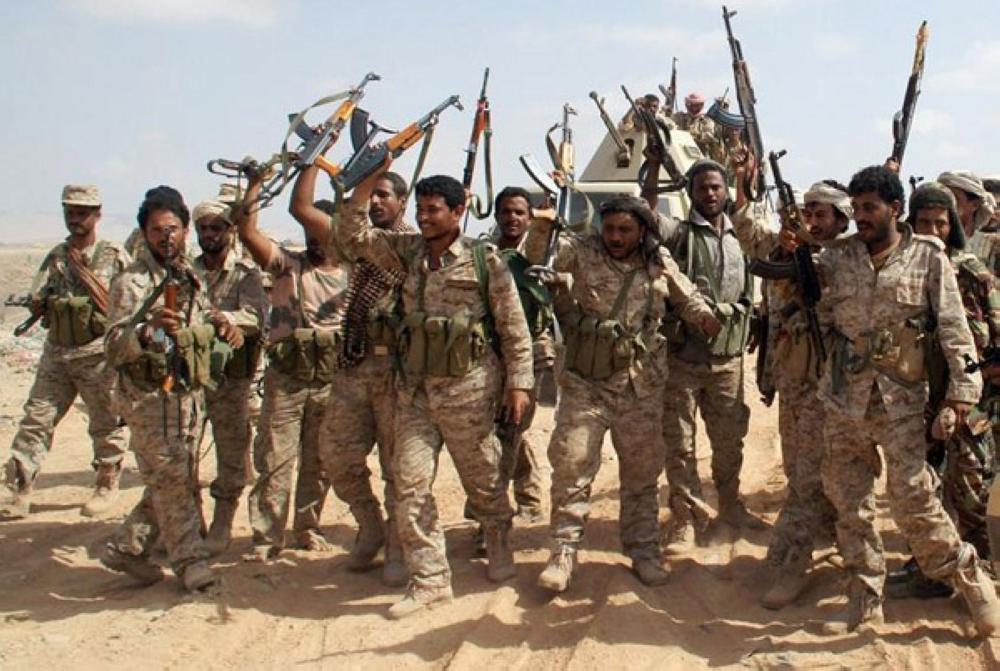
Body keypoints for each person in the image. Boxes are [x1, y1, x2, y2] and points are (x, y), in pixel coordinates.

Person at [802, 165, 1000, 635]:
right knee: (849, 502)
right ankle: (864, 596)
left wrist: (961, 396)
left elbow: (954, 329)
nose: (860, 216)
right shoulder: (837, 257)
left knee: (913, 499)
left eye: (869, 207)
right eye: (856, 208)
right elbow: (814, 303)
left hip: (901, 401)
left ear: (895, 209)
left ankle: (969, 579)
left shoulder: (927, 257)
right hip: (844, 399)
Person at [339, 167, 533, 620]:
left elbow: (513, 326)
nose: (424, 218)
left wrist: (519, 384)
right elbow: (352, 236)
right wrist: (368, 176)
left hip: (470, 390)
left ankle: (497, 535)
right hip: (414, 393)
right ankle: (429, 579)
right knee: (409, 483)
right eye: (420, 209)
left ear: (458, 211)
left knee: (484, 478)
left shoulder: (485, 261)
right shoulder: (405, 251)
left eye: (433, 210)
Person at [526, 194, 720, 592]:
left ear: (642, 231)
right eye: (610, 228)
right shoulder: (581, 250)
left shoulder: (657, 260)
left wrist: (704, 316)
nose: (615, 237)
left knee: (641, 473)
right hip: (587, 383)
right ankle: (563, 553)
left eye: (625, 230)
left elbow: (685, 295)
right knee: (572, 467)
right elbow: (538, 259)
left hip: (640, 387)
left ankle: (644, 550)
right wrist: (543, 224)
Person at [729, 174, 850, 609]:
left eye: (822, 214)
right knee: (800, 467)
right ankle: (814, 542)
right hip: (794, 380)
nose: (812, 220)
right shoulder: (790, 249)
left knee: (811, 476)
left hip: (832, 386)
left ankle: (799, 560)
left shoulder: (848, 260)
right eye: (808, 212)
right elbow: (750, 237)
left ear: (842, 220)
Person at [290, 163, 410, 586]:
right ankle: (370, 524)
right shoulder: (354, 242)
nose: (374, 201)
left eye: (383, 194)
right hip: (353, 365)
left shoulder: (413, 247)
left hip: (397, 371)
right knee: (336, 454)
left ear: (402, 202)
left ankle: (398, 544)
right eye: (370, 194)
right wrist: (314, 156)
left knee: (399, 467)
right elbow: (302, 209)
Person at [886, 182, 1000, 599]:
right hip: (918, 398)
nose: (933, 231)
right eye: (923, 223)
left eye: (941, 223)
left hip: (971, 400)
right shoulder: (902, 271)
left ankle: (983, 574)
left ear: (953, 225)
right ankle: (930, 569)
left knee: (970, 492)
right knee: (922, 492)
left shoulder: (973, 273)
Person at [99, 186, 216, 592]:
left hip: (185, 393)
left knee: (172, 477)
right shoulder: (130, 283)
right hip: (148, 396)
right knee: (172, 477)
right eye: (156, 230)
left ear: (185, 230)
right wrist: (147, 332)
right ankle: (191, 562)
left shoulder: (190, 276)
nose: (166, 238)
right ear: (144, 233)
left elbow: (199, 319)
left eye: (173, 229)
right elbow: (113, 346)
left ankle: (127, 548)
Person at [645, 157, 763, 554]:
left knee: (729, 441)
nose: (710, 194)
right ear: (690, 193)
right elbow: (647, 216)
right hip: (683, 358)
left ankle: (731, 507)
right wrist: (653, 168)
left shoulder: (740, 236)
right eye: (702, 188)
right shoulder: (679, 233)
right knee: (680, 444)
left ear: (725, 190)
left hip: (728, 359)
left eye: (716, 187)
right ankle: (685, 519)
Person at [0, 185, 129, 520]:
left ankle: (106, 483)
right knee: (36, 421)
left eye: (82, 213)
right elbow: (39, 294)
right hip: (57, 354)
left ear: (97, 215)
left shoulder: (113, 255)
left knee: (106, 423)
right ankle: (18, 489)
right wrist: (44, 303)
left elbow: (130, 301)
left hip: (97, 355)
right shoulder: (58, 256)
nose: (75, 219)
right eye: (70, 212)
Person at [235, 168, 338, 560]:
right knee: (275, 461)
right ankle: (266, 538)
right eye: (311, 233)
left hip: (330, 380)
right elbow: (248, 233)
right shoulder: (287, 266)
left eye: (322, 233)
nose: (316, 241)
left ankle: (307, 527)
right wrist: (255, 186)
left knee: (320, 461)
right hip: (287, 379)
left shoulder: (354, 273)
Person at [190, 199, 266, 555]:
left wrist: (226, 319)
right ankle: (190, 524)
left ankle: (223, 521)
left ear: (231, 231)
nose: (209, 234)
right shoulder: (186, 273)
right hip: (191, 378)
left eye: (216, 228)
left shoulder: (245, 273)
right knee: (181, 455)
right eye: (203, 228)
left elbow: (257, 317)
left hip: (231, 381)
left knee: (232, 456)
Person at [672, 92, 724, 164]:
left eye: (697, 105)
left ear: (701, 105)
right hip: (681, 155)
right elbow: (670, 125)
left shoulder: (707, 120)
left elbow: (709, 136)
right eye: (692, 105)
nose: (694, 108)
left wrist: (691, 135)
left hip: (701, 157)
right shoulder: (680, 117)